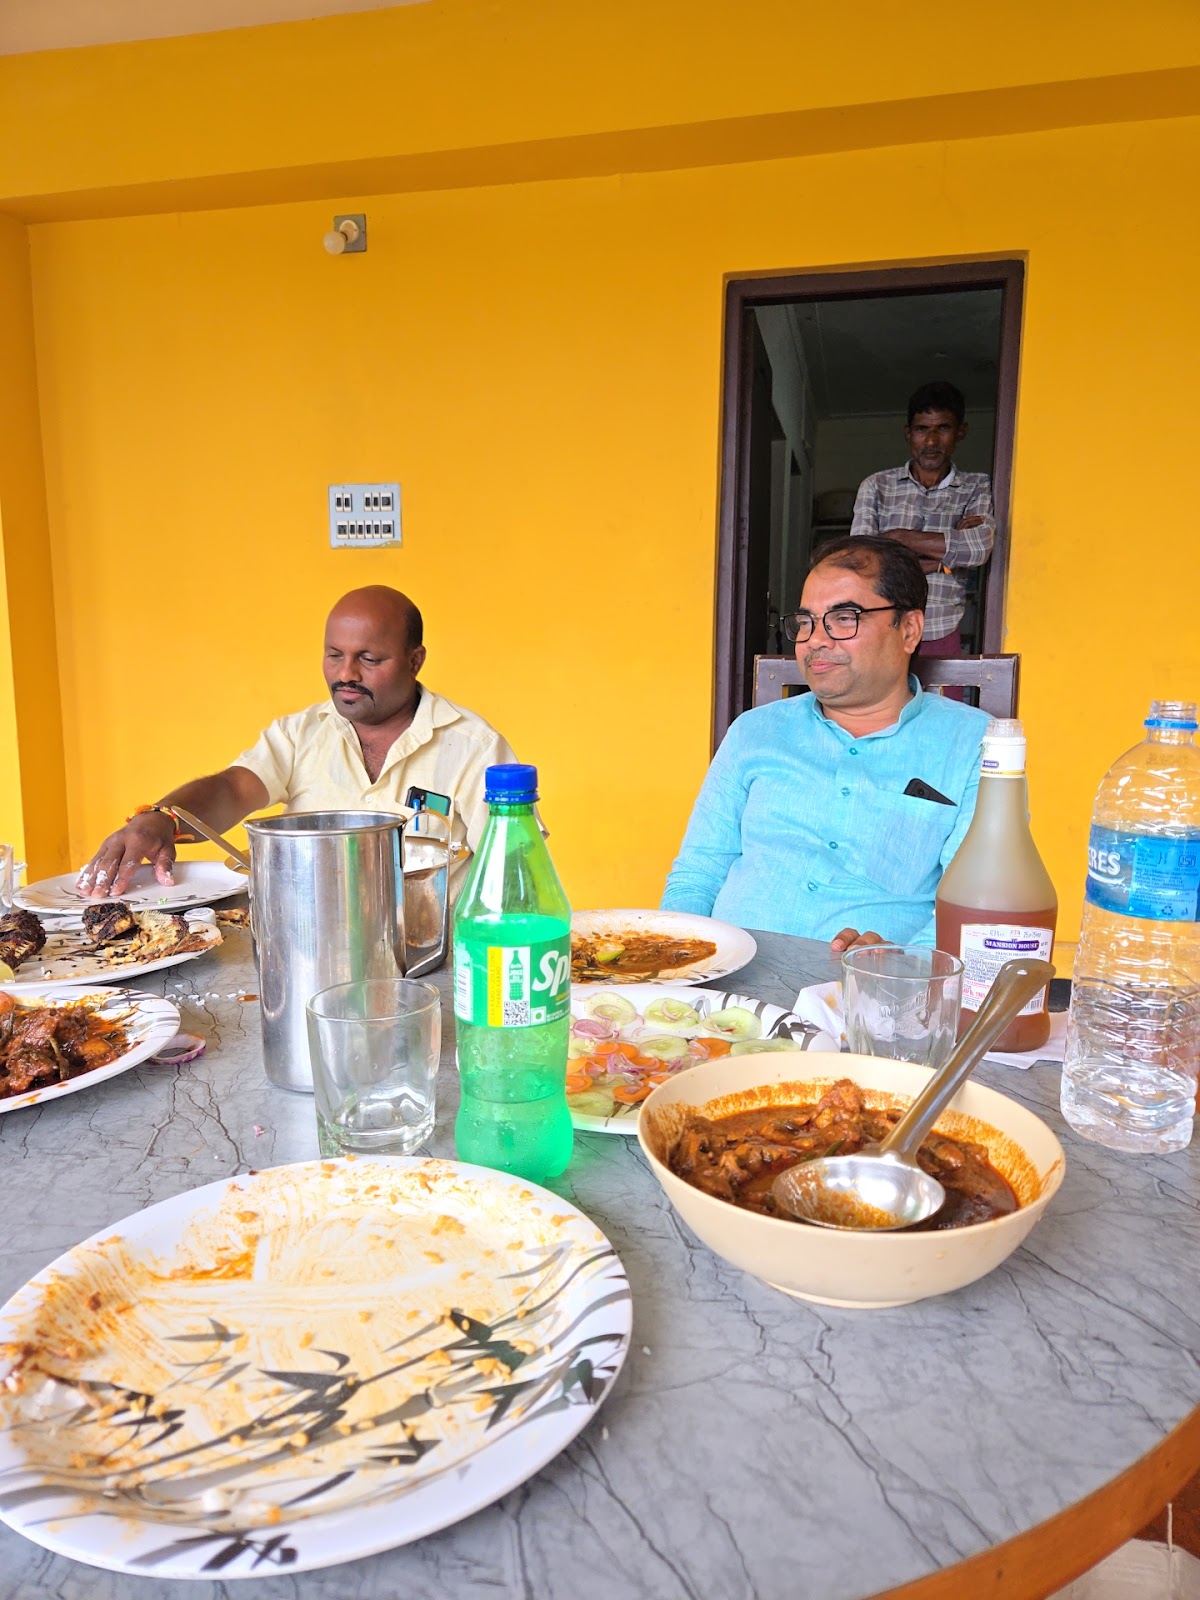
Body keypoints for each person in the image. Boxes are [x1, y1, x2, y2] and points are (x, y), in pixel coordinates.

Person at [78, 586, 516, 897]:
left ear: (414, 660)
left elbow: (514, 874)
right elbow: (233, 788)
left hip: (433, 970)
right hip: (306, 959)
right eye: (334, 655)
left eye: (369, 659)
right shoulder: (300, 734)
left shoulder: (474, 748)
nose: (346, 674)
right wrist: (161, 817)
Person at [661, 537, 990, 951]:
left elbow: (976, 904)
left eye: (844, 618)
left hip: (868, 985)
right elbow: (698, 873)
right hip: (730, 972)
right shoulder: (754, 731)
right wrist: (677, 964)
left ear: (908, 630)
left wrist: (904, 967)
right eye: (806, 622)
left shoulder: (977, 745)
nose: (815, 639)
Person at [849, 380, 994, 655]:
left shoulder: (976, 486)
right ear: (908, 433)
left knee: (942, 691)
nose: (931, 441)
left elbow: (977, 549)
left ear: (961, 431)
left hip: (942, 627)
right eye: (922, 429)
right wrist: (943, 560)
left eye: (943, 428)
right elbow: (863, 557)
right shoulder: (877, 486)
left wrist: (896, 538)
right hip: (882, 627)